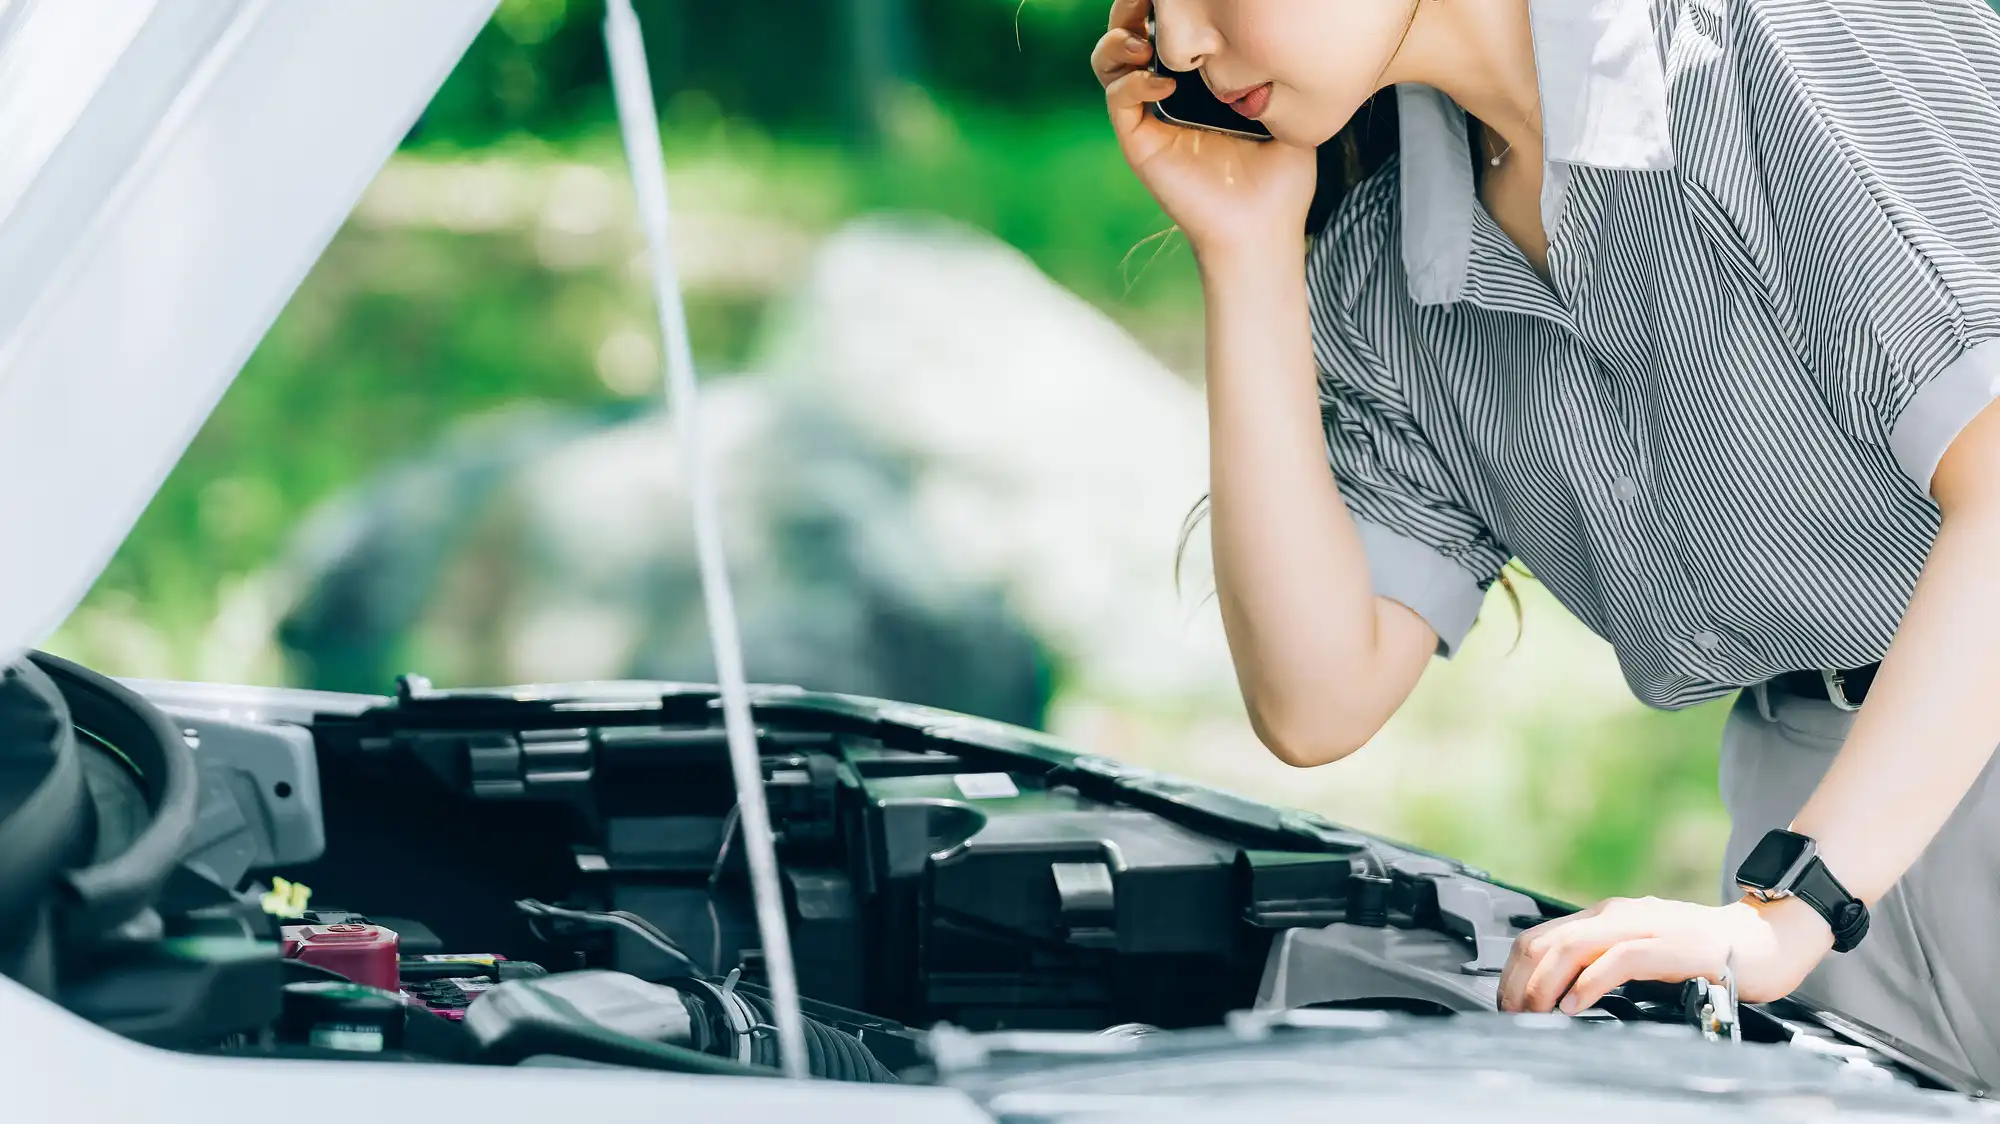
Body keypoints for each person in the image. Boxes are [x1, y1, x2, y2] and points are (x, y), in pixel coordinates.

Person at [1094, 0, 2000, 1085]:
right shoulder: (1389, 268)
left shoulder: (1783, 35)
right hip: (1823, 816)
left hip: (1821, 870)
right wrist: (1243, 250)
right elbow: (1313, 697)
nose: (1183, 43)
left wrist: (1789, 909)